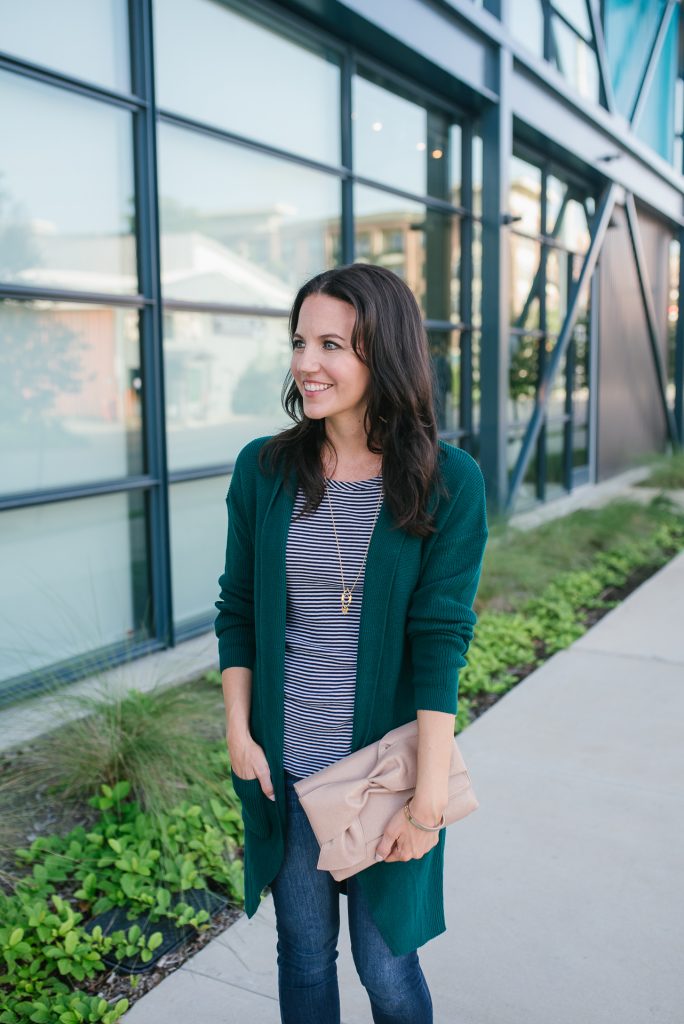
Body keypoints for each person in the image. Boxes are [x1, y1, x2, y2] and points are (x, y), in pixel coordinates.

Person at [214, 263, 489, 1024]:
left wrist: (427, 801)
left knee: (386, 963)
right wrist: (239, 733)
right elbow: (237, 611)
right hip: (285, 770)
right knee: (302, 953)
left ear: (384, 353)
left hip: (385, 780)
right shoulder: (263, 471)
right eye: (300, 341)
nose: (306, 362)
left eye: (331, 343)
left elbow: (440, 642)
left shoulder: (447, 481)